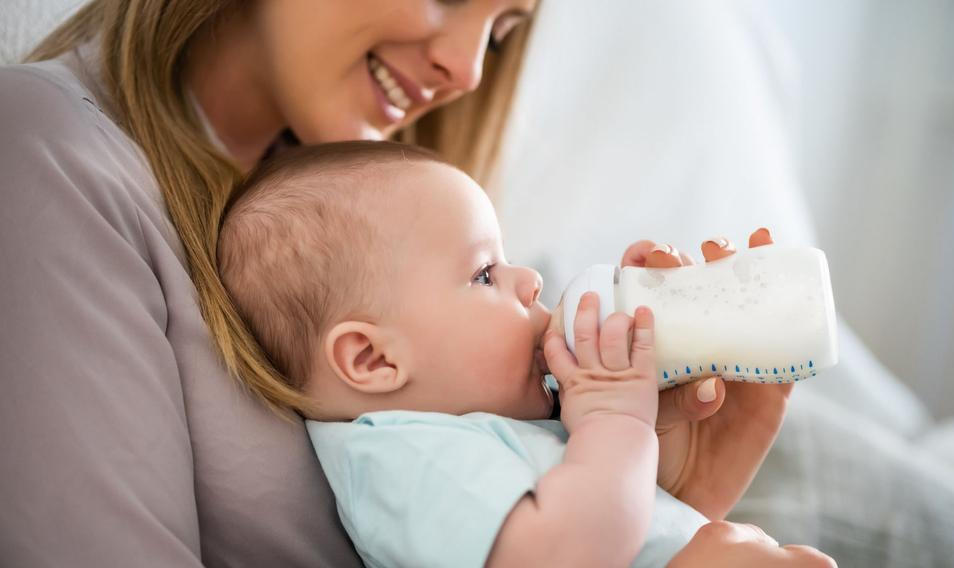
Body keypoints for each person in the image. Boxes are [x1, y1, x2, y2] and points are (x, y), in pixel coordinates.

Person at [0, 1, 801, 565]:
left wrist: (683, 490)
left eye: (502, 29)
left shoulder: (366, 214)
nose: (465, 67)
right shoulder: (48, 154)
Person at [217, 140, 836, 567]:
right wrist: (613, 422)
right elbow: (567, 556)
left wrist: (669, 471)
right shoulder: (399, 454)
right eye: (485, 274)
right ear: (374, 361)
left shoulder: (491, 430)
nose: (531, 280)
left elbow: (628, 531)